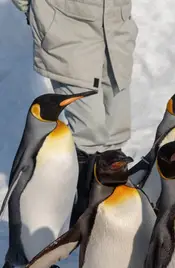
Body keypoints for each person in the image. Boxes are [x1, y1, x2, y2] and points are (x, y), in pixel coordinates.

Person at [11, 0, 139, 225]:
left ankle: (112, 211)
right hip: (66, 28)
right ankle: (84, 219)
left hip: (115, 27)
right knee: (89, 129)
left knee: (116, 124)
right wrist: (32, 10)